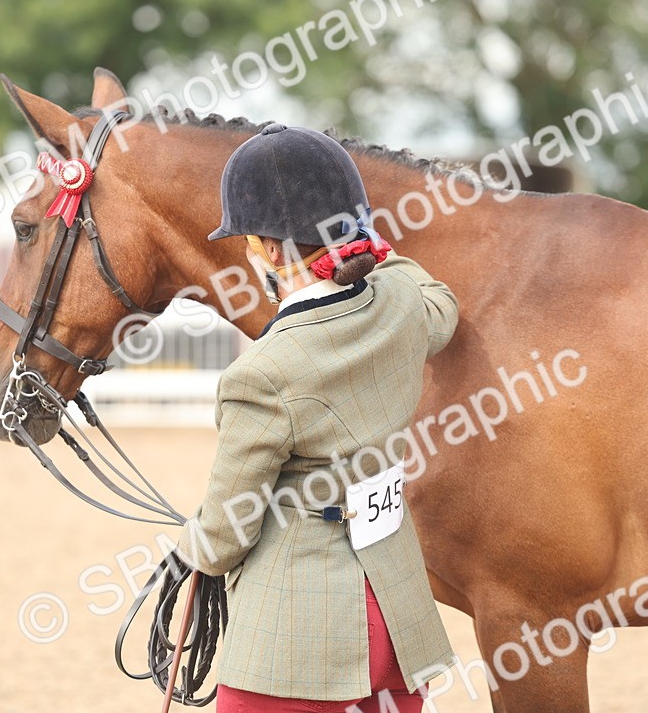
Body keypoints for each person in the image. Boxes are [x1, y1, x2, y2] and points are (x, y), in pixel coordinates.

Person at [175, 122, 459, 712]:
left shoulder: (262, 373)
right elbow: (440, 302)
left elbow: (228, 531)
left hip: (300, 639)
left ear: (272, 250)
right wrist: (367, 244)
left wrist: (190, 548)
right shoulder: (403, 307)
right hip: (396, 617)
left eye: (252, 241)